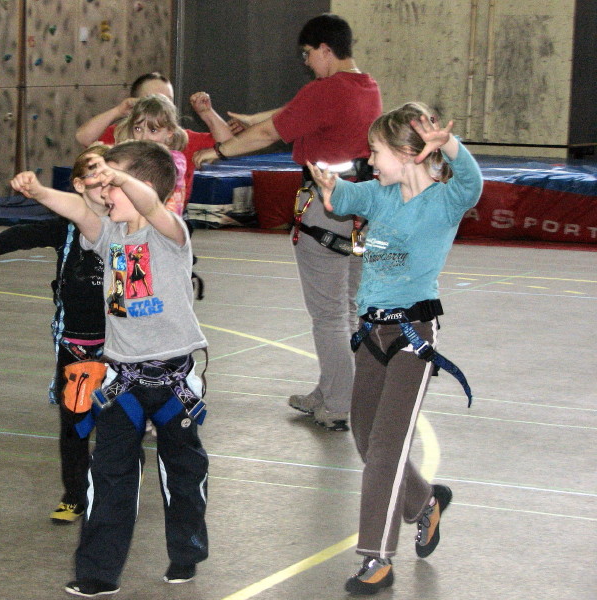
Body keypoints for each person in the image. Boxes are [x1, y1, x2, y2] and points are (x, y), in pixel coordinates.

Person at [10, 140, 210, 598]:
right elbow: (79, 213)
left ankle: (186, 551)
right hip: (124, 382)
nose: (103, 193)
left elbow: (151, 205)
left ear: (139, 185)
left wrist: (120, 177)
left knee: (183, 472)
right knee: (109, 475)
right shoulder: (110, 236)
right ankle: (98, 572)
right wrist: (39, 191)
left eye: (112, 186)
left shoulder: (170, 234)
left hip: (174, 382)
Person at [307, 102, 483, 595]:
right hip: (371, 336)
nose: (370, 160)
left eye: (376, 151)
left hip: (411, 337)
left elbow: (472, 184)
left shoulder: (444, 202)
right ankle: (424, 501)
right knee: (366, 436)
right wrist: (329, 187)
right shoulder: (381, 194)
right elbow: (346, 196)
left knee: (386, 449)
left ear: (408, 154)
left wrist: (449, 145)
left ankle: (377, 557)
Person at [194, 13, 382, 431]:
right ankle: (333, 388)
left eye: (308, 54)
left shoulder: (325, 90)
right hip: (361, 211)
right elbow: (296, 111)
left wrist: (220, 152)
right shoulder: (366, 87)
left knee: (329, 315)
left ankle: (339, 402)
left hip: (327, 211)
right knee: (347, 309)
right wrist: (256, 118)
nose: (307, 62)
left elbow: (271, 133)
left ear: (325, 50)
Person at [0, 144, 110, 525]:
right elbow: (25, 234)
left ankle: (117, 487)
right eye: (95, 173)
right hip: (76, 345)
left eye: (109, 172)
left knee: (117, 424)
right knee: (75, 422)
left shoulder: (127, 225)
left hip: (121, 346)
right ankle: (74, 494)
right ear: (78, 185)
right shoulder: (65, 227)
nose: (104, 180)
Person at [76, 71, 233, 203]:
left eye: (167, 101)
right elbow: (83, 137)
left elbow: (229, 146)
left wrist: (207, 113)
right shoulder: (123, 134)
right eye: (151, 101)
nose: (145, 136)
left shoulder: (183, 139)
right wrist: (118, 111)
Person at [114, 93, 189, 215]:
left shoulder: (175, 160)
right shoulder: (134, 155)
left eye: (153, 130)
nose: (144, 137)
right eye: (138, 129)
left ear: (169, 132)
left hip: (162, 222)